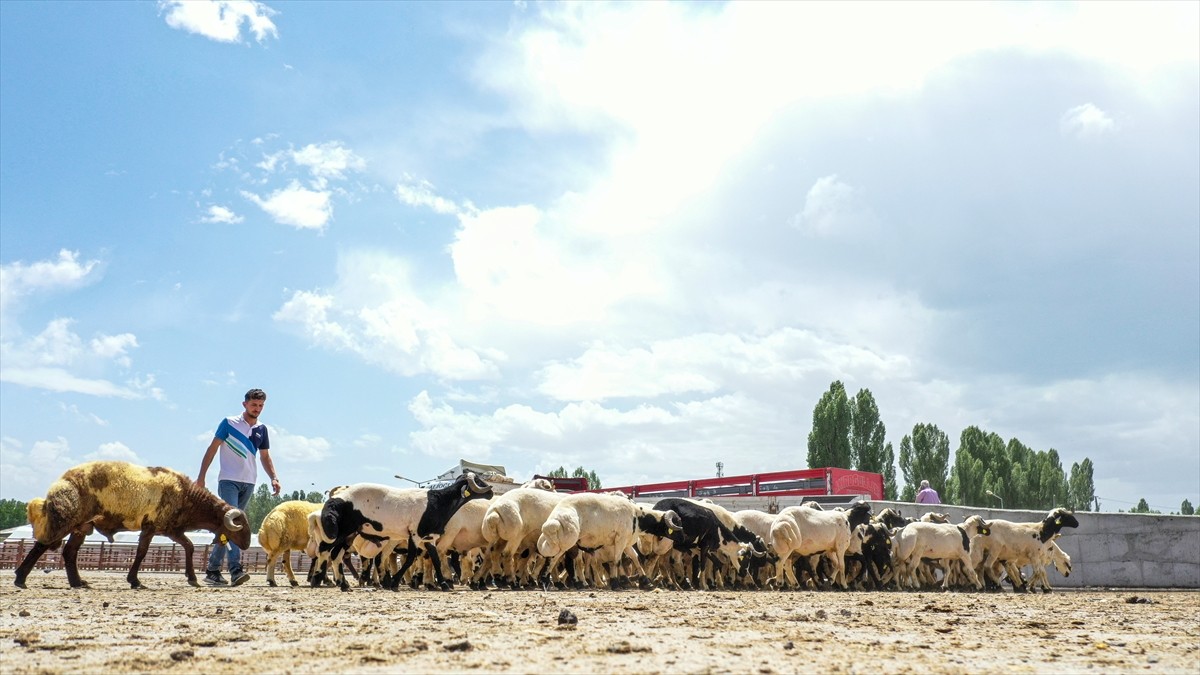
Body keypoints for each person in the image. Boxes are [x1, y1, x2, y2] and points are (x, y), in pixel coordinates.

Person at [196, 388, 280, 586]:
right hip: (228, 481)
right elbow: (212, 449)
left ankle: (212, 570)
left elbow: (265, 456)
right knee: (234, 524)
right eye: (254, 405)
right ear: (245, 404)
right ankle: (236, 570)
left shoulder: (262, 429)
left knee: (227, 526)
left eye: (260, 406)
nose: (257, 408)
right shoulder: (229, 423)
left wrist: (274, 477)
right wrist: (201, 477)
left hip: (249, 482)